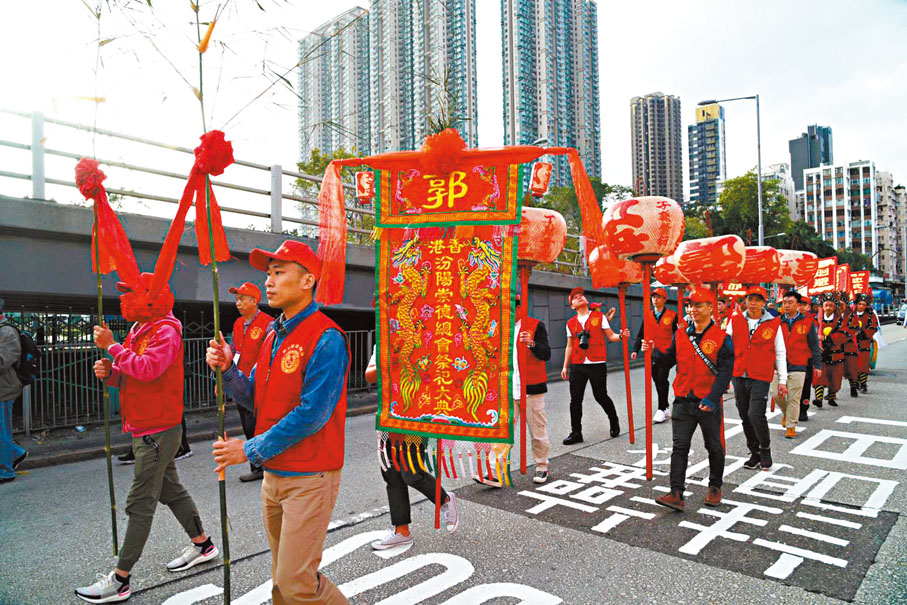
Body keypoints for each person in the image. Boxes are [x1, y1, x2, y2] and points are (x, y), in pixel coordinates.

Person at [206, 239, 350, 604]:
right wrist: (228, 369)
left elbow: (312, 416)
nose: (268, 282)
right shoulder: (273, 332)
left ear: (307, 281)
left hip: (310, 475)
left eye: (278, 272)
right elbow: (255, 395)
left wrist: (249, 449)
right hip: (275, 476)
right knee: (280, 580)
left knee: (296, 581)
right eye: (268, 274)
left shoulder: (327, 338)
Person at [77, 274, 218, 603]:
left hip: (158, 429)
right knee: (171, 490)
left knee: (140, 502)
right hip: (146, 425)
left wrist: (112, 347)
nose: (123, 299)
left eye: (130, 293)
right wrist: (111, 374)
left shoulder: (166, 330)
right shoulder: (140, 329)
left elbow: (148, 369)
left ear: (150, 297)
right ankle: (203, 545)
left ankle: (120, 579)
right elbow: (133, 377)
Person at [364, 347, 460, 550]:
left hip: (415, 418)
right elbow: (369, 375)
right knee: (391, 475)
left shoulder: (422, 341)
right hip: (388, 418)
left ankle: (444, 499)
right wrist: (390, 360)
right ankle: (402, 531)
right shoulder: (383, 342)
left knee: (412, 473)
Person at [647, 289, 733, 512]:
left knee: (713, 446)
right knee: (679, 447)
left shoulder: (723, 338)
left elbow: (725, 372)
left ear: (710, 308)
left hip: (708, 402)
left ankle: (715, 487)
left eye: (698, 305)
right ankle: (676, 493)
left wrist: (712, 398)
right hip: (683, 400)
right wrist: (653, 351)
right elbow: (667, 360)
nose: (692, 310)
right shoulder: (681, 334)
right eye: (689, 305)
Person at [725, 286, 787, 471]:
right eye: (750, 299)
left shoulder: (774, 323)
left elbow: (780, 352)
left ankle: (765, 448)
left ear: (763, 303)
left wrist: (782, 380)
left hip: (760, 375)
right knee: (744, 415)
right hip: (739, 374)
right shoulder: (735, 320)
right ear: (745, 300)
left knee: (755, 414)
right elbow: (726, 347)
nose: (753, 303)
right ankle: (754, 452)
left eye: (757, 300)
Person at [560, 287, 629, 445]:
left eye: (581, 295)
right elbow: (569, 346)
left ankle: (613, 419)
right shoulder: (570, 323)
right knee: (575, 400)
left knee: (600, 395)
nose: (579, 297)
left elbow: (611, 336)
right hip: (577, 364)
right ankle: (576, 432)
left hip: (597, 363)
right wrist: (565, 366)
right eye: (575, 297)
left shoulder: (599, 317)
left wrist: (621, 336)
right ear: (572, 306)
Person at [228, 281, 273, 482]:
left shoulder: (268, 323)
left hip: (260, 384)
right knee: (248, 425)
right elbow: (233, 351)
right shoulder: (238, 324)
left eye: (242, 299)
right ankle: (258, 466)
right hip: (240, 383)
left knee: (259, 425)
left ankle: (266, 465)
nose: (238, 303)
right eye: (237, 299)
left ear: (254, 301)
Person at [771, 291, 823, 439]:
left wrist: (818, 365)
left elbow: (814, 345)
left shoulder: (807, 322)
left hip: (799, 364)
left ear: (798, 305)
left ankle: (791, 426)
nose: (786, 306)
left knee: (794, 397)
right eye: (784, 303)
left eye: (790, 302)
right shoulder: (775, 322)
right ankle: (787, 413)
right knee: (776, 394)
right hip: (777, 365)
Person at [512, 295, 552, 483]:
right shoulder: (501, 328)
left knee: (538, 432)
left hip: (531, 389)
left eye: (512, 308)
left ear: (519, 308)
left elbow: (546, 353)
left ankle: (541, 466)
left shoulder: (536, 325)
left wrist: (531, 343)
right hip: (509, 388)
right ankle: (495, 470)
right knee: (503, 432)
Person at [631, 287, 678, 424]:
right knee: (657, 379)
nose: (655, 299)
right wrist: (635, 350)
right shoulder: (648, 315)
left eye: (658, 297)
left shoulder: (672, 315)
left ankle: (661, 408)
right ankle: (666, 407)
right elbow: (641, 334)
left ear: (664, 299)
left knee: (661, 378)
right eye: (653, 297)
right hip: (653, 353)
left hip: (667, 353)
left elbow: (677, 335)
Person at [0, 299, 27, 484]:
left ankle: (5, 471)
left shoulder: (7, 332)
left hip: (4, 390)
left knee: (2, 433)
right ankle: (16, 453)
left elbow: (3, 362)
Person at [814, 292, 850, 407]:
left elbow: (844, 334)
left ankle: (831, 396)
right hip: (820, 352)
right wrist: (816, 341)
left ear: (835, 307)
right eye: (826, 305)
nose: (828, 308)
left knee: (834, 377)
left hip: (835, 352)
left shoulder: (840, 320)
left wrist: (827, 339)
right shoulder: (816, 320)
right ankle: (818, 398)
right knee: (819, 376)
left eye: (831, 305)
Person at [846, 293, 878, 394]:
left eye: (864, 304)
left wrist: (864, 333)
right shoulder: (851, 315)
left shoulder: (870, 315)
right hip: (852, 343)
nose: (861, 306)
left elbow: (873, 327)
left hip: (864, 342)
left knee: (864, 363)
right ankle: (855, 383)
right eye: (860, 304)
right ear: (856, 304)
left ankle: (863, 384)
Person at [797, 296, 818, 422]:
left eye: (803, 304)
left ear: (808, 307)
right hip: (791, 357)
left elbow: (814, 342)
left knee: (805, 386)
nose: (800, 307)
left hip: (806, 358)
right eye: (798, 304)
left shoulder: (812, 321)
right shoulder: (788, 319)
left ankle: (803, 409)